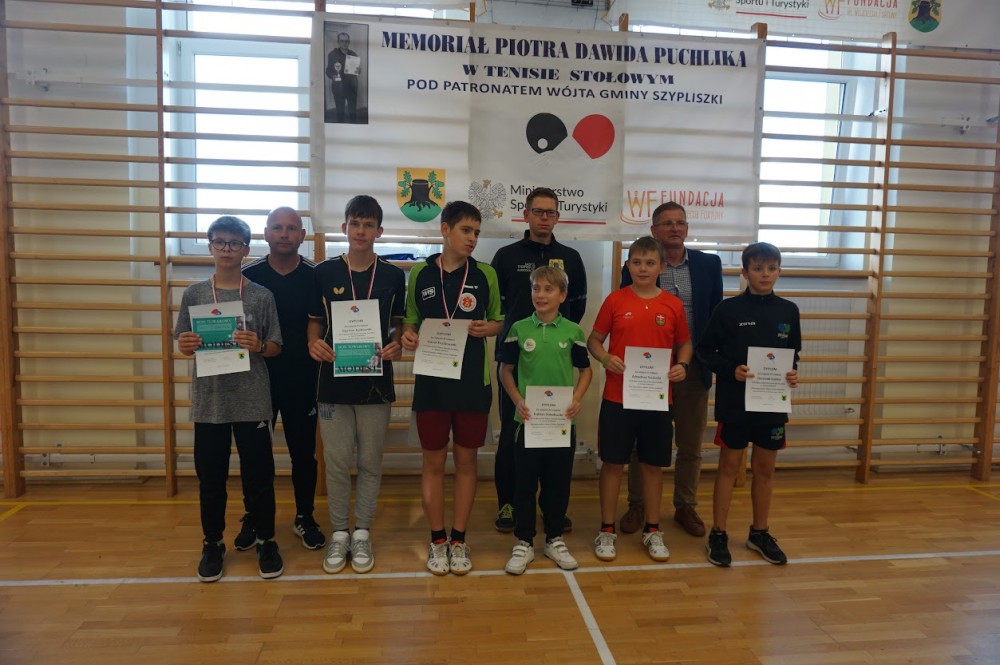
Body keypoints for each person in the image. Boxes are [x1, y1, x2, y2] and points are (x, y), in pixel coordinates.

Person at [175, 215, 284, 582]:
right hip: (211, 402)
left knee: (259, 477)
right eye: (220, 242)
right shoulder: (194, 294)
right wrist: (186, 345)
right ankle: (213, 543)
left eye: (234, 243)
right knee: (211, 478)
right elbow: (184, 344)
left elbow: (276, 346)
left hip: (252, 400)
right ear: (210, 246)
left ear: (245, 250)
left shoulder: (261, 295)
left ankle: (266, 540)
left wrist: (259, 344)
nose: (226, 249)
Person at [402, 201, 503, 576]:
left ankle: (459, 539)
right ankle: (437, 539)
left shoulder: (486, 274)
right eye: (466, 230)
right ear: (445, 230)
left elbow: (499, 320)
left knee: (465, 463)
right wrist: (408, 335)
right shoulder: (421, 273)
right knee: (432, 464)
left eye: (476, 232)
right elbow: (410, 321)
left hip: (471, 384)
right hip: (431, 383)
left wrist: (488, 328)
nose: (472, 238)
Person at [307, 195, 406, 574]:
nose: (361, 231)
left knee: (369, 462)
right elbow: (315, 322)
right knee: (335, 464)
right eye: (355, 223)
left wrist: (397, 342)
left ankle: (361, 532)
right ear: (344, 227)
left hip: (376, 384)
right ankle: (339, 533)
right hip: (333, 383)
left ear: (379, 231)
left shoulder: (393, 275)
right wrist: (312, 343)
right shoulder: (324, 272)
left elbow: (397, 324)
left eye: (368, 225)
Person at [619, 202, 723, 538]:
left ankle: (685, 505)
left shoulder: (709, 264)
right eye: (667, 223)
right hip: (649, 369)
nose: (674, 228)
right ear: (654, 231)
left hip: (692, 367)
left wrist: (700, 359)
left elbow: (715, 316)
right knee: (642, 442)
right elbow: (627, 308)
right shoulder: (638, 265)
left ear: (687, 228)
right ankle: (637, 504)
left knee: (690, 444)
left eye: (680, 223)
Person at [587, 236, 693, 562]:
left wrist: (682, 365)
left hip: (657, 399)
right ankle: (607, 530)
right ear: (628, 265)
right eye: (637, 262)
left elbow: (685, 344)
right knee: (612, 464)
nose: (643, 268)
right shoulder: (615, 301)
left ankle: (652, 529)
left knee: (653, 465)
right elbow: (594, 340)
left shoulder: (672, 305)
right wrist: (606, 358)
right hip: (617, 398)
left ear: (662, 266)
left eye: (650, 263)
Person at [697, 242, 801, 567]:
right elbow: (705, 351)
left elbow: (792, 355)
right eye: (757, 269)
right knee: (729, 468)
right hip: (735, 405)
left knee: (765, 470)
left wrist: (791, 374)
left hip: (771, 405)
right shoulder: (727, 310)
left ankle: (759, 532)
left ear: (779, 271)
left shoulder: (789, 311)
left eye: (771, 268)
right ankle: (718, 533)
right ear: (745, 272)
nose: (765, 274)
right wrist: (732, 370)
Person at [490, 187, 587, 534]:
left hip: (555, 358)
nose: (544, 218)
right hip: (516, 362)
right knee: (512, 435)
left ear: (557, 217)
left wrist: (556, 341)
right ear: (526, 215)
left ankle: (552, 508)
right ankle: (509, 502)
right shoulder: (505, 256)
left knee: (554, 438)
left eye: (550, 212)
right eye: (538, 211)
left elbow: (577, 307)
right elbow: (497, 307)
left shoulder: (571, 258)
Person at [241, 207, 325, 551]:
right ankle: (254, 515)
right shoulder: (247, 276)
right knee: (255, 456)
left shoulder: (315, 276)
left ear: (302, 236)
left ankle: (305, 516)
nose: (285, 234)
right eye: (277, 228)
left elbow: (324, 323)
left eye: (292, 228)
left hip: (302, 381)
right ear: (266, 234)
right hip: (255, 382)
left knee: (303, 454)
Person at [499, 266, 592, 575]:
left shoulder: (573, 332)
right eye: (536, 288)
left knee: (557, 483)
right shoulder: (518, 329)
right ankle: (524, 542)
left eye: (548, 289)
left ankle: (554, 539)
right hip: (527, 422)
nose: (540, 295)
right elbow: (505, 371)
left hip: (560, 424)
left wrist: (576, 398)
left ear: (562, 296)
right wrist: (518, 400)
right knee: (524, 484)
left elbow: (586, 371)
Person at [326, 31, 360, 123]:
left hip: (351, 87)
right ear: (338, 42)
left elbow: (357, 72)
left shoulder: (353, 54)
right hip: (338, 87)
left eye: (346, 41)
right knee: (340, 112)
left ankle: (354, 127)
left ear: (349, 42)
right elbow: (328, 71)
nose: (344, 43)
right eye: (342, 41)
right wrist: (333, 76)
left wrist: (358, 70)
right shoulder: (332, 55)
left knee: (353, 112)